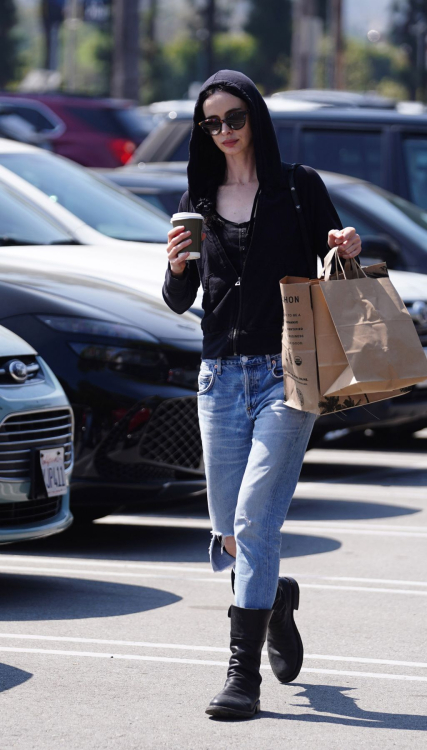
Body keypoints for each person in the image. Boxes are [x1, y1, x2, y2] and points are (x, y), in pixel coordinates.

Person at [163, 70, 361, 720]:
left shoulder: (298, 188)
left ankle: (240, 677)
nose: (223, 132)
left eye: (233, 119)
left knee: (253, 519)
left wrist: (348, 246)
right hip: (219, 377)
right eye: (211, 123)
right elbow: (179, 301)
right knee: (230, 535)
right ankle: (274, 599)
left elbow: (341, 266)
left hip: (287, 375)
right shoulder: (200, 194)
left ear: (256, 117)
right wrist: (173, 267)